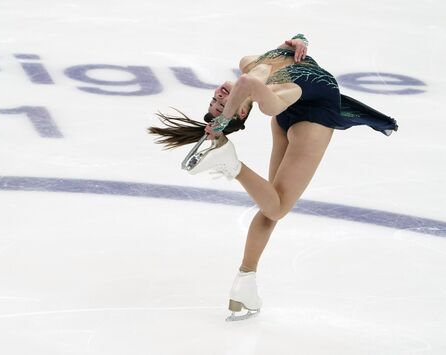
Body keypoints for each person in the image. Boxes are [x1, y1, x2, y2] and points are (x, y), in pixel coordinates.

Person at [148, 34, 397, 321]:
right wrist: (222, 121)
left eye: (215, 100)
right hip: (312, 119)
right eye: (222, 104)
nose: (217, 98)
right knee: (276, 207)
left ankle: (246, 280)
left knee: (271, 207)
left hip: (293, 112)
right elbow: (246, 85)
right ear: (242, 110)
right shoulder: (266, 98)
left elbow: (276, 58)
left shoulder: (249, 63)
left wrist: (293, 41)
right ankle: (234, 166)